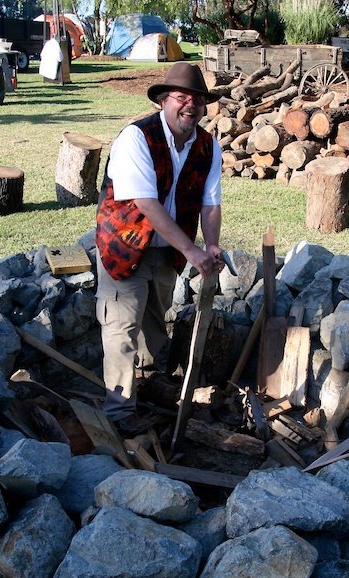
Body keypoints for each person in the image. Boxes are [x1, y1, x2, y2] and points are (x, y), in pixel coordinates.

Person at [94, 63, 224, 437]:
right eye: (182, 97)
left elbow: (210, 202)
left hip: (167, 251)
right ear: (164, 101)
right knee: (121, 325)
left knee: (154, 320)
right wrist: (195, 251)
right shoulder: (137, 137)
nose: (191, 106)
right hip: (123, 245)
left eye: (197, 100)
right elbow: (147, 204)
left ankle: (150, 383)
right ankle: (119, 410)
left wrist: (211, 243)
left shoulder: (206, 145)